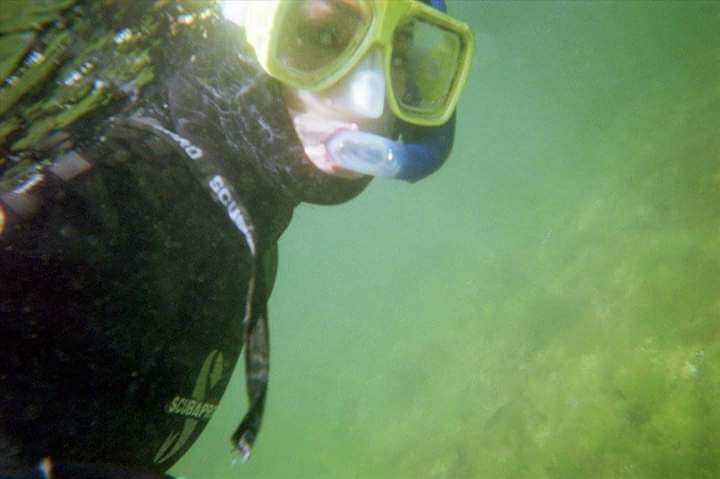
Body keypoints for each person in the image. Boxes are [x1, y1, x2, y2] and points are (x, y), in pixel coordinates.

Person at [0, 1, 474, 478]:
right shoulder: (89, 190)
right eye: (327, 37)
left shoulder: (244, 224)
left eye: (398, 59)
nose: (372, 105)